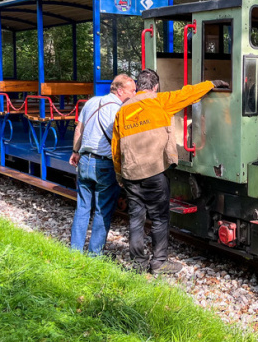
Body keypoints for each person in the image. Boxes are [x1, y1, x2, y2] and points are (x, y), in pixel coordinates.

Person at [112, 69, 228, 274]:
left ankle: (138, 264)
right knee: (159, 218)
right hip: (154, 172)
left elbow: (115, 147)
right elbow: (188, 93)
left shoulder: (123, 110)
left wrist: (120, 174)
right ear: (155, 87)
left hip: (131, 174)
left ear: (138, 86)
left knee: (136, 219)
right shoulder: (160, 101)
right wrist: (212, 83)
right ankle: (159, 263)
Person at [68, 74, 136, 255]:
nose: (134, 94)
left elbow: (79, 129)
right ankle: (94, 255)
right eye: (132, 90)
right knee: (102, 210)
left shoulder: (91, 102)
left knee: (82, 207)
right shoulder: (120, 111)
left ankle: (74, 252)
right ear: (120, 91)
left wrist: (75, 152)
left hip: (84, 161)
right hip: (104, 165)